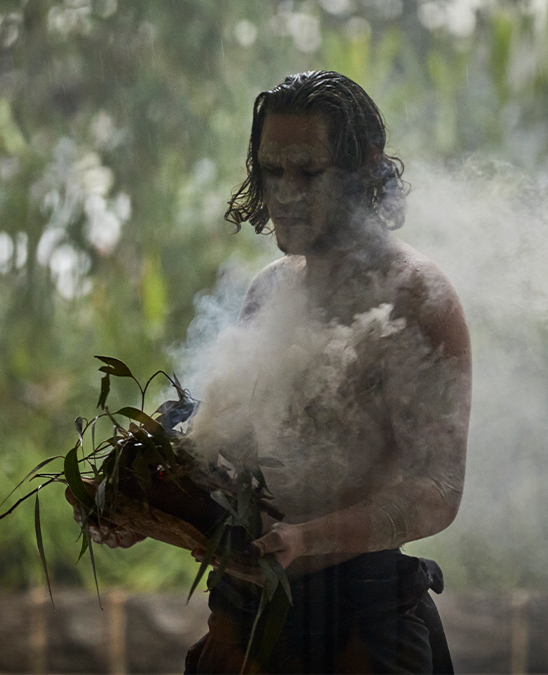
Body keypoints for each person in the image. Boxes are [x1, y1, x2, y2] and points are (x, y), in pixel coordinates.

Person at [84, 70, 470, 674]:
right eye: (272, 170)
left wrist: (311, 539)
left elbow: (438, 492)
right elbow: (232, 456)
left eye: (309, 172)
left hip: (361, 624)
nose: (285, 192)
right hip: (248, 619)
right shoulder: (268, 290)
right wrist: (145, 501)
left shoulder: (417, 298)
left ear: (363, 168)